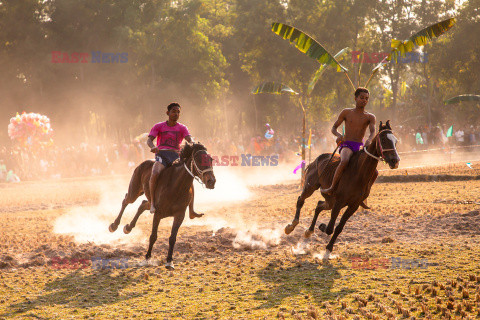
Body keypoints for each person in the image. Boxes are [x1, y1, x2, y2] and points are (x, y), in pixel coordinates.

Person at [147, 102, 202, 218]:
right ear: (168, 113)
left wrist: (192, 142)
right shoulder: (159, 126)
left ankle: (191, 210)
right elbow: (149, 140)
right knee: (155, 173)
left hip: (176, 157)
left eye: (178, 112)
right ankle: (152, 203)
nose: (176, 114)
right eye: (173, 111)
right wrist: (153, 147)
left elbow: (188, 138)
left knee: (189, 178)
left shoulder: (182, 128)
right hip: (162, 155)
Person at [320, 87, 376, 195]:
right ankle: (332, 187)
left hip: (360, 147)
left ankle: (365, 193)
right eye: (361, 97)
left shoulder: (370, 116)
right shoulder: (346, 112)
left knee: (375, 172)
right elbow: (333, 128)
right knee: (345, 160)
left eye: (366, 98)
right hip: (347, 145)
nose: (364, 100)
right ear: (355, 98)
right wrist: (339, 135)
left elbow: (373, 131)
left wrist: (369, 139)